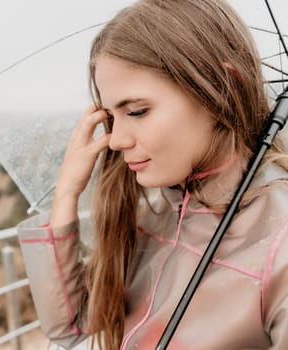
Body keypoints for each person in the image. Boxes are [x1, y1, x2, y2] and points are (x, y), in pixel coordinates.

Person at [17, 0, 288, 349]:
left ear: (222, 87)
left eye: (137, 111)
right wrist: (67, 192)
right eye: (112, 116)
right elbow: (72, 325)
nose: (116, 140)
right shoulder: (159, 210)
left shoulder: (279, 243)